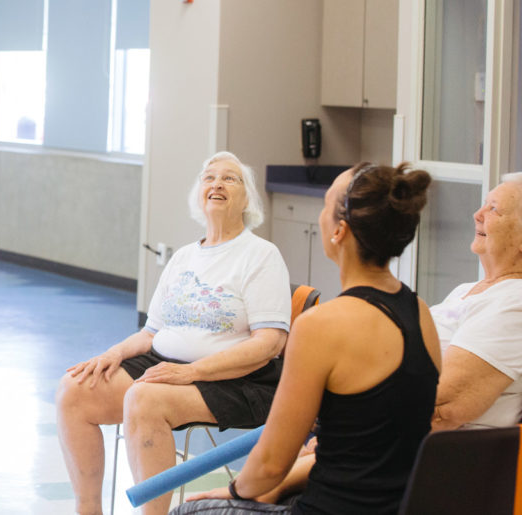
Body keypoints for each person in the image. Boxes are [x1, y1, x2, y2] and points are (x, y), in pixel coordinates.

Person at [179, 162, 440, 515]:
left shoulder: (319, 326)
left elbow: (270, 465)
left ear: (339, 231)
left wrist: (233, 491)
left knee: (186, 511)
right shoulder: (420, 313)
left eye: (325, 204)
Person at [57, 151, 292, 515]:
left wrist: (193, 372)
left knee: (144, 398)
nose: (217, 183)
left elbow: (270, 343)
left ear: (248, 200)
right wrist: (113, 353)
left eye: (230, 178)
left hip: (236, 379)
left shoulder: (261, 255)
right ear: (199, 194)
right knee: (73, 389)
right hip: (165, 364)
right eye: (209, 177)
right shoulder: (183, 257)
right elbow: (151, 333)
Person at [430, 172, 522, 430]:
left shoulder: (514, 304)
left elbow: (443, 407)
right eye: (484, 204)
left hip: (432, 448)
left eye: (493, 209)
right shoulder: (467, 290)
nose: (477, 214)